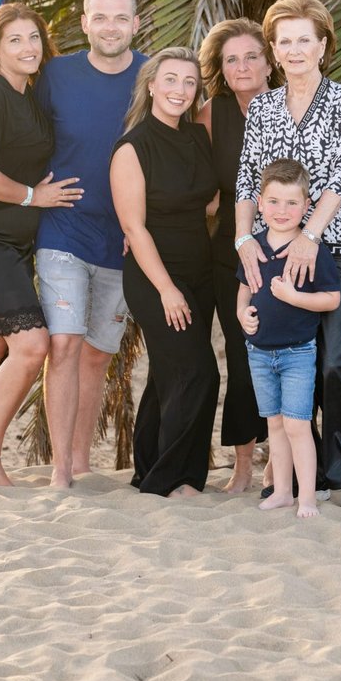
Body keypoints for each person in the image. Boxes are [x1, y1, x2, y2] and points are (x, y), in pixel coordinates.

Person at [234, 0, 341, 509]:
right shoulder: (263, 108)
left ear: (322, 46)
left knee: (335, 361)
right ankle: (289, 475)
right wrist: (242, 239)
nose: (294, 50)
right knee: (279, 354)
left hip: (335, 245)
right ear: (273, 49)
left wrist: (308, 239)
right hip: (270, 247)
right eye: (284, 41)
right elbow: (247, 180)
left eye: (304, 40)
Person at [0, 3, 84, 487]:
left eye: (33, 38)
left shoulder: (28, 93)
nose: (27, 48)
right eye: (15, 41)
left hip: (12, 239)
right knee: (31, 346)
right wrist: (35, 196)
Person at [33, 0, 146, 488]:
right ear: (84, 23)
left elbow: (173, 146)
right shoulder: (56, 74)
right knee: (65, 345)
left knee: (98, 354)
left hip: (122, 241)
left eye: (120, 17)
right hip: (63, 232)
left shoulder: (152, 75)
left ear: (136, 24)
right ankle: (61, 470)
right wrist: (23, 190)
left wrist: (146, 224)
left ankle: (81, 459)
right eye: (100, 17)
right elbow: (21, 130)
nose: (110, 27)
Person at [110, 46, 220, 497]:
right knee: (198, 373)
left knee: (167, 374)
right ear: (151, 85)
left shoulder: (197, 137)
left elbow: (210, 200)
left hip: (200, 271)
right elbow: (134, 228)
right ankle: (177, 479)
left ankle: (149, 470)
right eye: (171, 80)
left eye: (189, 82)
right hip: (155, 277)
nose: (180, 90)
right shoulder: (132, 148)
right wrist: (167, 289)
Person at [237, 159, 341, 519]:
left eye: (292, 203)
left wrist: (293, 298)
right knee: (275, 424)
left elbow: (332, 298)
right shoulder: (254, 246)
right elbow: (243, 285)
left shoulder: (310, 250)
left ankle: (308, 496)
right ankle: (282, 491)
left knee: (297, 423)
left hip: (298, 352)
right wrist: (241, 313)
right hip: (259, 352)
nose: (282, 211)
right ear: (261, 204)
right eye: (274, 202)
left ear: (307, 207)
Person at [197, 19, 274, 493]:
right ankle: (244, 466)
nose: (242, 66)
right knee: (243, 356)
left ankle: (291, 461)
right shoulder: (212, 114)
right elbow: (196, 184)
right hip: (229, 252)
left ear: (270, 62)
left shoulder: (292, 107)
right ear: (220, 70)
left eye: (251, 56)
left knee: (296, 355)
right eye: (231, 60)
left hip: (291, 252)